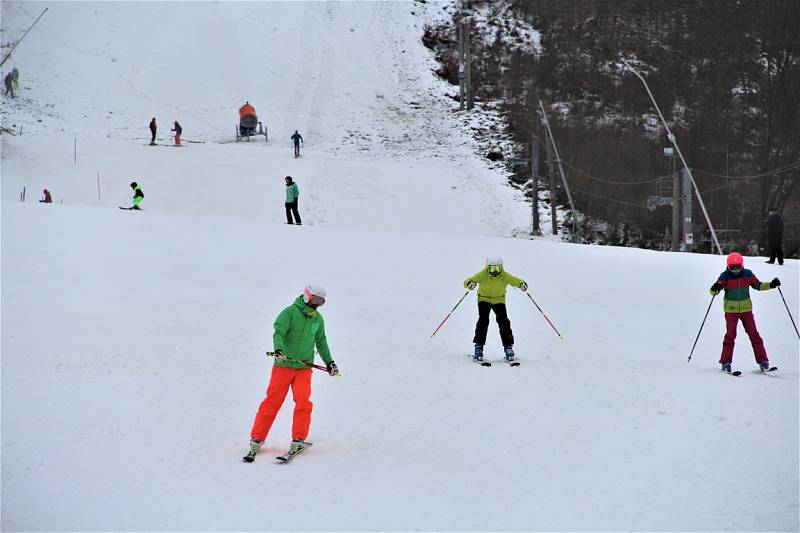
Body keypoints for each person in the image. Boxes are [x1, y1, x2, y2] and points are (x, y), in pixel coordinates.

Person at [246, 285, 338, 460]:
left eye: (321, 302)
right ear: (306, 296)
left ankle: (298, 438)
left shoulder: (318, 319)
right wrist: (279, 350)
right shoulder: (289, 313)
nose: (316, 305)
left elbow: (321, 342)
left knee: (303, 402)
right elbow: (278, 333)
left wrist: (330, 363)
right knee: (272, 402)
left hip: (304, 369)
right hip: (283, 367)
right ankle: (257, 438)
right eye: (314, 300)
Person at [710, 252, 780, 373]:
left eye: (738, 266)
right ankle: (725, 362)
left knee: (754, 334)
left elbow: (758, 285)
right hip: (731, 311)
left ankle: (763, 361)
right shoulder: (724, 276)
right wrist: (714, 288)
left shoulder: (747, 274)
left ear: (742, 265)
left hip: (746, 310)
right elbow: (714, 292)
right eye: (733, 267)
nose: (736, 270)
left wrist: (771, 285)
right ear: (728, 266)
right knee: (730, 335)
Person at [463, 257, 528, 361]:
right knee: (483, 320)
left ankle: (508, 347)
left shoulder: (504, 276)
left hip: (499, 300)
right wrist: (469, 283)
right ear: (487, 268)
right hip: (484, 299)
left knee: (504, 322)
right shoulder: (483, 274)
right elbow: (468, 280)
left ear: (501, 267)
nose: (495, 272)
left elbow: (514, 280)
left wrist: (521, 284)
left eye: (497, 269)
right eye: (492, 269)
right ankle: (478, 347)